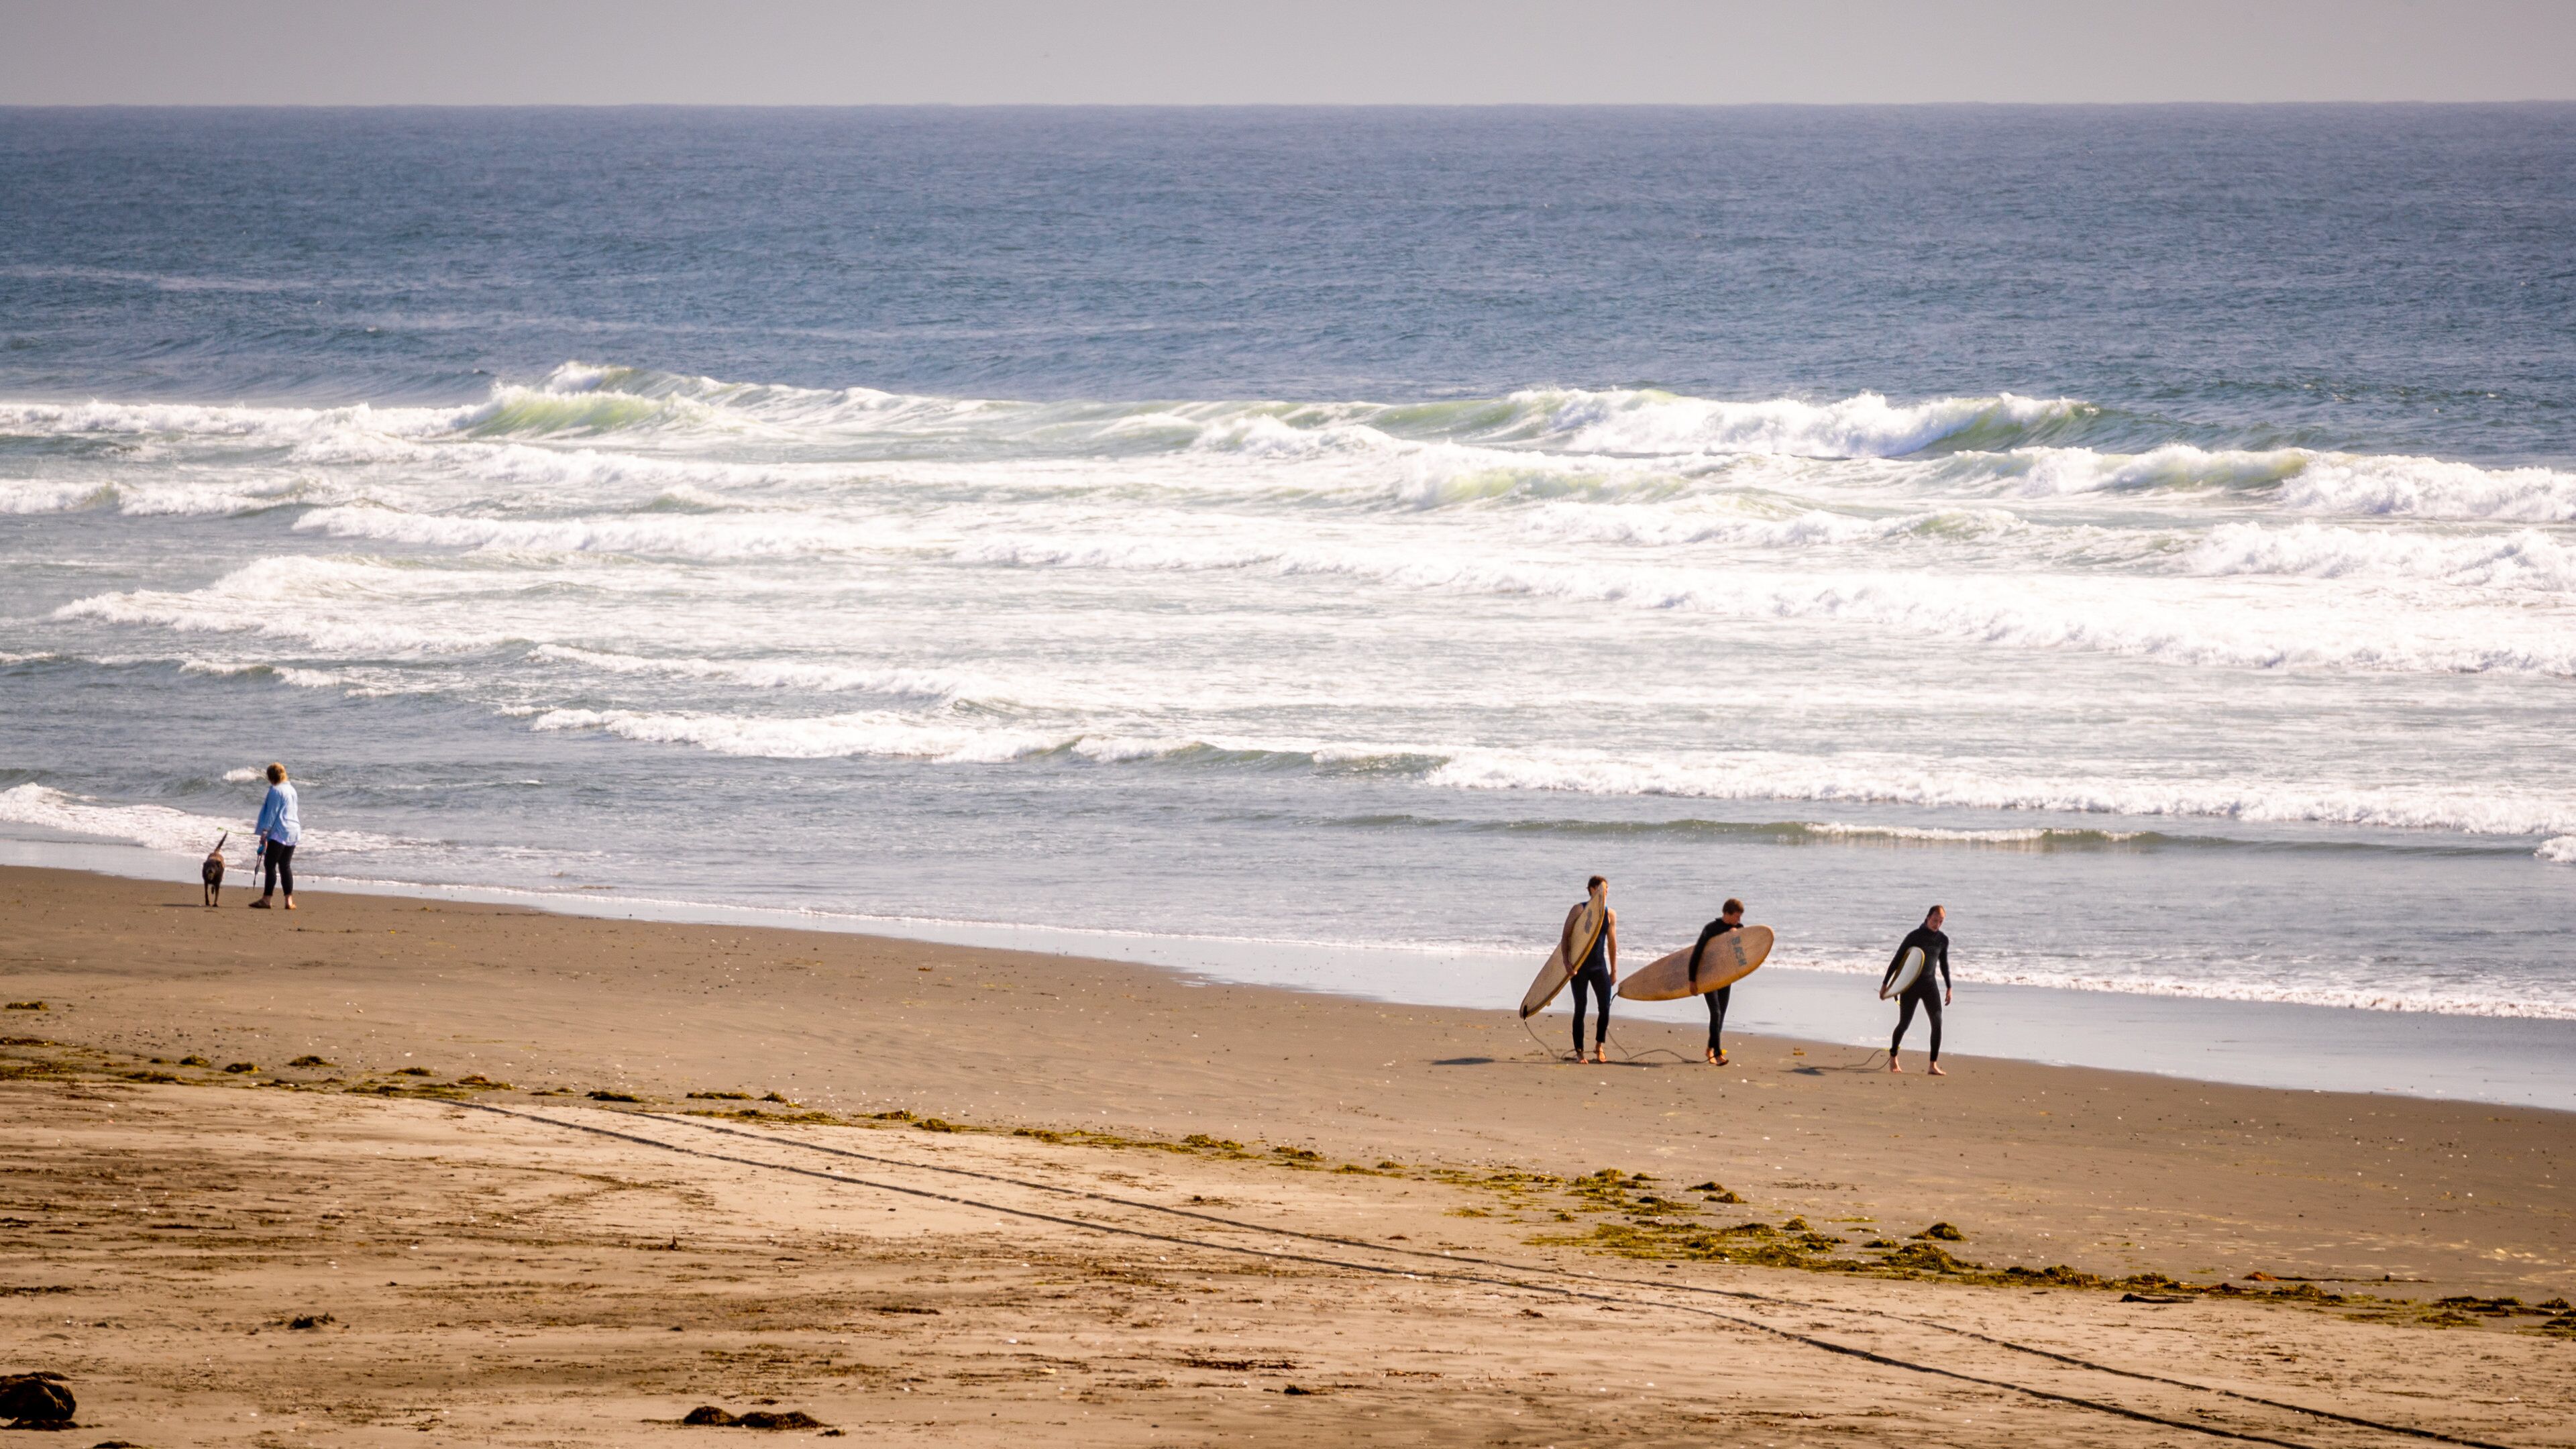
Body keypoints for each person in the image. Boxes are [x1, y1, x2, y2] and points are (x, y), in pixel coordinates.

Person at [1886, 904, 1952, 1074]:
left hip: (1930, 985)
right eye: (1935, 920)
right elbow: (1898, 960)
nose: (1937, 924)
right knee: (1904, 1024)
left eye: (1941, 921)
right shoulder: (1914, 937)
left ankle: (1933, 1065)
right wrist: (1888, 985)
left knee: (1937, 1023)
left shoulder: (1942, 940)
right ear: (1928, 917)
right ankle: (1893, 1057)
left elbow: (1944, 965)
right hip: (1911, 985)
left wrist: (1949, 987)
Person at [1558, 875, 1617, 1064]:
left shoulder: (1610, 914)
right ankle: (1579, 1052)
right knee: (1581, 1008)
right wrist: (1567, 964)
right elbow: (1565, 937)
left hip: (1599, 966)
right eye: (1603, 889)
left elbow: (1612, 944)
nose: (1606, 893)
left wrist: (1614, 969)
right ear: (1592, 889)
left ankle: (1599, 1046)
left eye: (1607, 890)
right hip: (1579, 967)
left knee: (1605, 1008)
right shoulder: (1579, 910)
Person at [1688, 897, 1746, 1066]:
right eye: (1736, 916)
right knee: (1716, 1013)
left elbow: (1743, 954)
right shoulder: (1711, 929)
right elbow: (1696, 954)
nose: (1739, 920)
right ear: (1726, 913)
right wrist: (1692, 980)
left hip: (1725, 977)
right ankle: (1718, 1054)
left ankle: (1710, 1048)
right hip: (1708, 977)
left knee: (1720, 1017)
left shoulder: (1739, 928)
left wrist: (1737, 937)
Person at [250, 762, 301, 911]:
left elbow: (272, 813)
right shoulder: (291, 789)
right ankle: (289, 901)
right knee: (285, 865)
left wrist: (264, 832)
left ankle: (267, 899)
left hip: (280, 831)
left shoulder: (275, 791)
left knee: (270, 864)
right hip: (293, 830)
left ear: (270, 777)